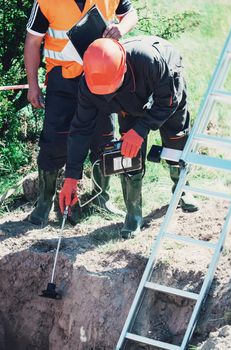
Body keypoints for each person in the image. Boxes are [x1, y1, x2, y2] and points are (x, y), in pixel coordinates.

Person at [59, 36, 199, 239]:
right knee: (128, 154)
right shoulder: (87, 86)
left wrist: (141, 130)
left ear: (122, 69)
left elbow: (169, 102)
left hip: (166, 93)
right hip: (129, 106)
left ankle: (182, 188)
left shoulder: (150, 61)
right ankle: (133, 215)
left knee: (175, 140)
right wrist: (71, 177)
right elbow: (80, 129)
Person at [24, 0, 138, 227]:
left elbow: (131, 13)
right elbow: (33, 41)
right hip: (62, 79)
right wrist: (32, 85)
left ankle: (100, 199)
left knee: (105, 138)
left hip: (102, 77)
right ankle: (44, 203)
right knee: (53, 140)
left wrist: (120, 28)